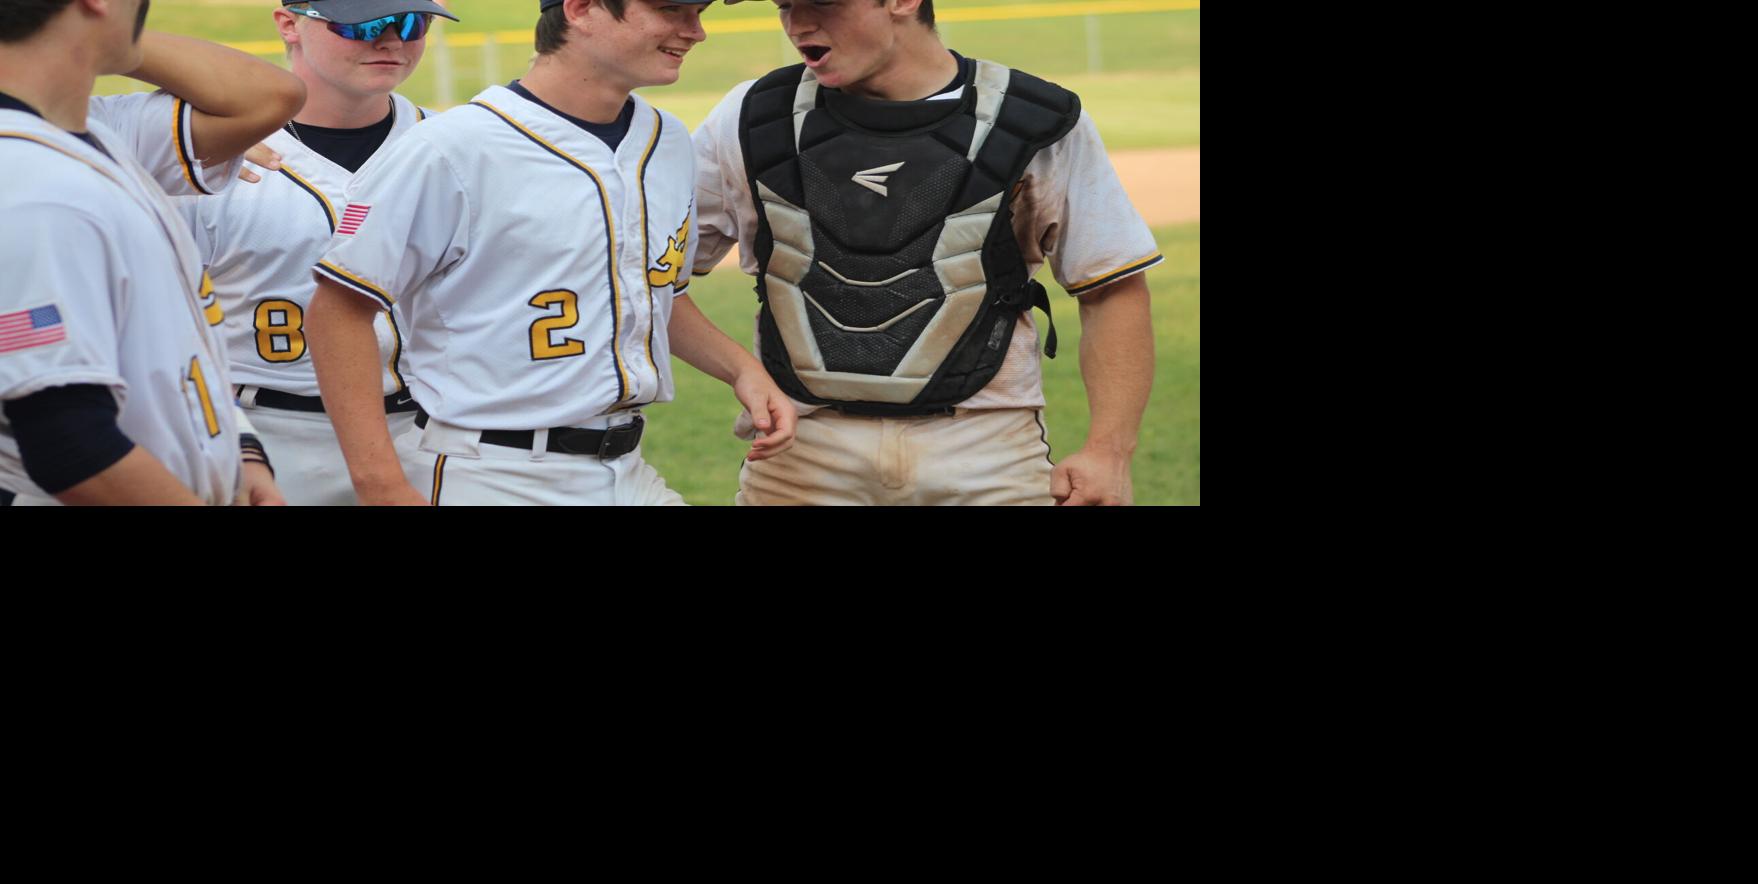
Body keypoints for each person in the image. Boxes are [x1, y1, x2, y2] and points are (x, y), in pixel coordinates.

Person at [306, 0, 796, 505]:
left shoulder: (666, 139)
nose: (695, 31)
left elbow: (655, 294)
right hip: (492, 473)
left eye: (699, 11)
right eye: (671, 9)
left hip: (627, 467)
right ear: (581, 9)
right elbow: (338, 310)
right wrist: (379, 482)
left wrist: (742, 369)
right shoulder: (451, 148)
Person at [690, 0, 1158, 506]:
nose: (797, 23)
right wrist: (741, 369)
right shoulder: (752, 117)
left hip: (985, 451)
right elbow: (650, 272)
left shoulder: (1032, 120)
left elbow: (1112, 288)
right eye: (785, 5)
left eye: (822, 2)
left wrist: (1109, 452)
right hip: (801, 451)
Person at [1, 0, 306, 505]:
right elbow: (68, 443)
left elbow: (165, 355)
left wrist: (240, 452)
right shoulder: (32, 184)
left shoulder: (88, 134)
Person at [176, 0, 457, 505]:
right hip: (270, 437)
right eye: (363, 23)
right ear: (289, 25)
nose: (391, 39)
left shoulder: (456, 147)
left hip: (435, 436)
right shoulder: (201, 158)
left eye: (412, 21)